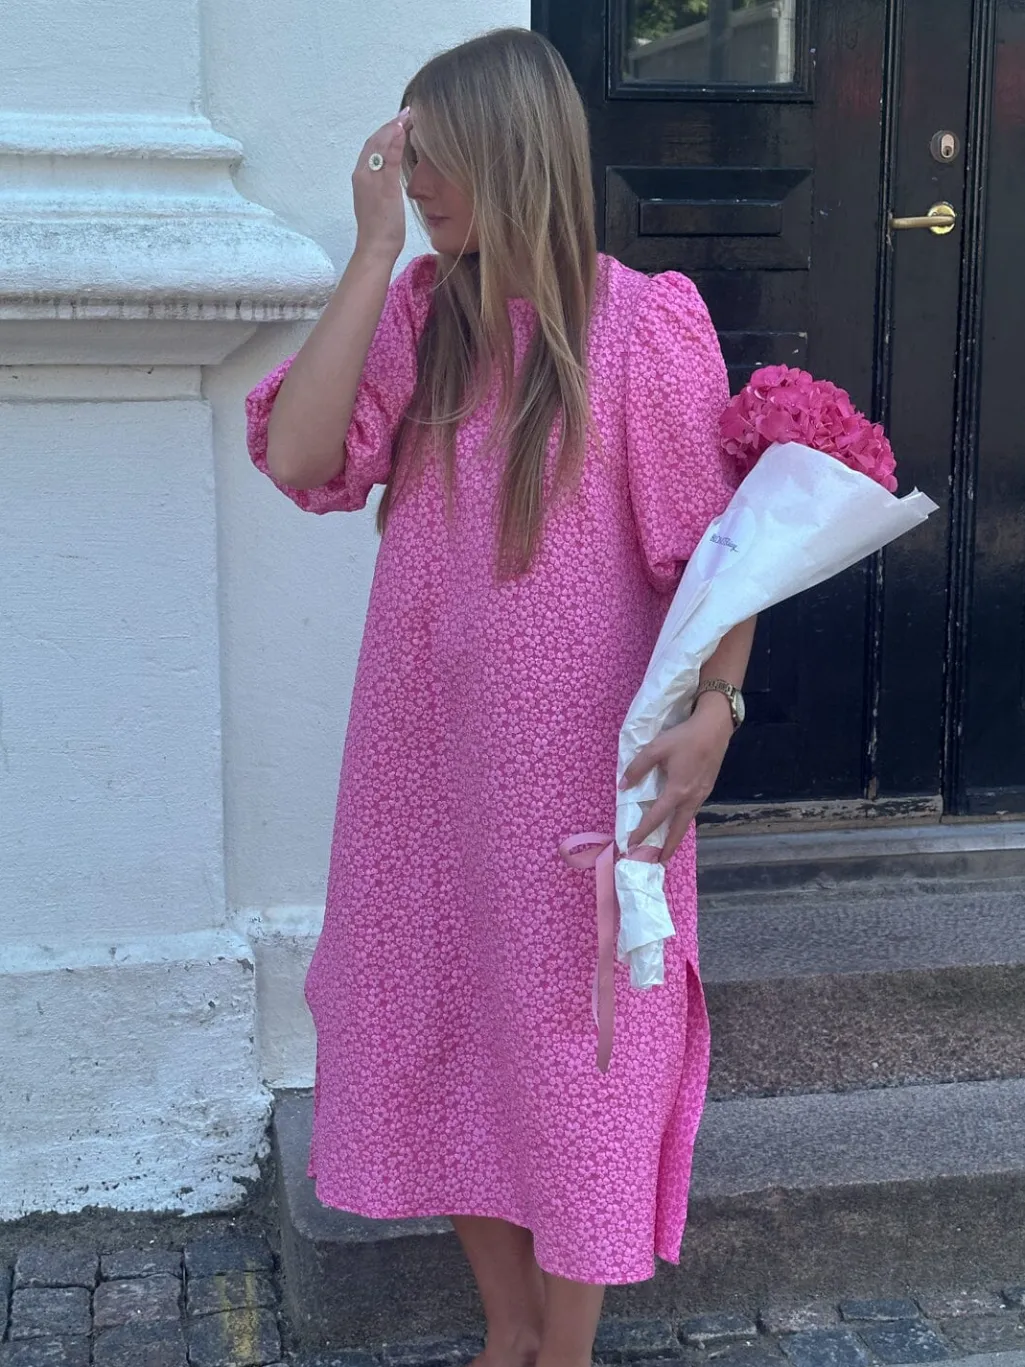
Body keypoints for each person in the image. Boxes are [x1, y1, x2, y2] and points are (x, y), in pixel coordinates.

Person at [245, 26, 756, 1367]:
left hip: (587, 780)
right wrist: (370, 255)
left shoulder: (642, 327)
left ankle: (562, 1349)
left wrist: (718, 708)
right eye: (405, 156)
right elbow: (299, 452)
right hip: (425, 766)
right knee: (442, 1018)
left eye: (434, 155)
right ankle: (512, 1332)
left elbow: (714, 557)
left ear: (511, 151)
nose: (412, 180)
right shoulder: (423, 318)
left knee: (580, 1059)